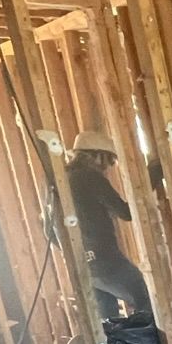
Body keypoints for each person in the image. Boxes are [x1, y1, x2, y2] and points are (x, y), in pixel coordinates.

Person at [67, 131, 151, 322]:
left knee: (108, 323)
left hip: (83, 266)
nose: (109, 167)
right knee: (144, 301)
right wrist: (152, 177)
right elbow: (125, 212)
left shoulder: (58, 181)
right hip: (106, 261)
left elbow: (49, 230)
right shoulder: (89, 176)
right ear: (96, 156)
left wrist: (79, 252)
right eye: (109, 160)